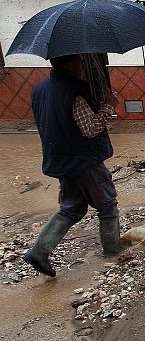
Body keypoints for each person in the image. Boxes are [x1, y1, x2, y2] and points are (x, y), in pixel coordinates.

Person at [23, 54, 126, 277]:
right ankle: (113, 250)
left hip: (60, 159)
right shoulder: (74, 93)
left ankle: (39, 251)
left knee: (71, 208)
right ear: (69, 65)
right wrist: (108, 107)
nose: (83, 67)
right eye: (80, 63)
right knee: (107, 204)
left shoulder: (39, 90)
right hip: (84, 160)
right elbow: (89, 129)